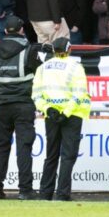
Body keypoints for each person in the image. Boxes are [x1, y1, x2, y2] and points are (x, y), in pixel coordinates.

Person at [0, 16, 42, 200]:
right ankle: (25, 190)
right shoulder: (29, 50)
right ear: (21, 30)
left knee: (1, 147)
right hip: (23, 104)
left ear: (5, 31)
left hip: (2, 105)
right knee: (24, 147)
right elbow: (39, 70)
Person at [32, 37, 91, 201]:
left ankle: (45, 193)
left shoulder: (42, 68)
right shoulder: (75, 67)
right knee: (67, 156)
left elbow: (36, 94)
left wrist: (48, 109)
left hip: (50, 115)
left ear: (53, 51)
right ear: (69, 49)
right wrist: (66, 112)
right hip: (71, 115)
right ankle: (62, 194)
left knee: (51, 155)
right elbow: (79, 93)